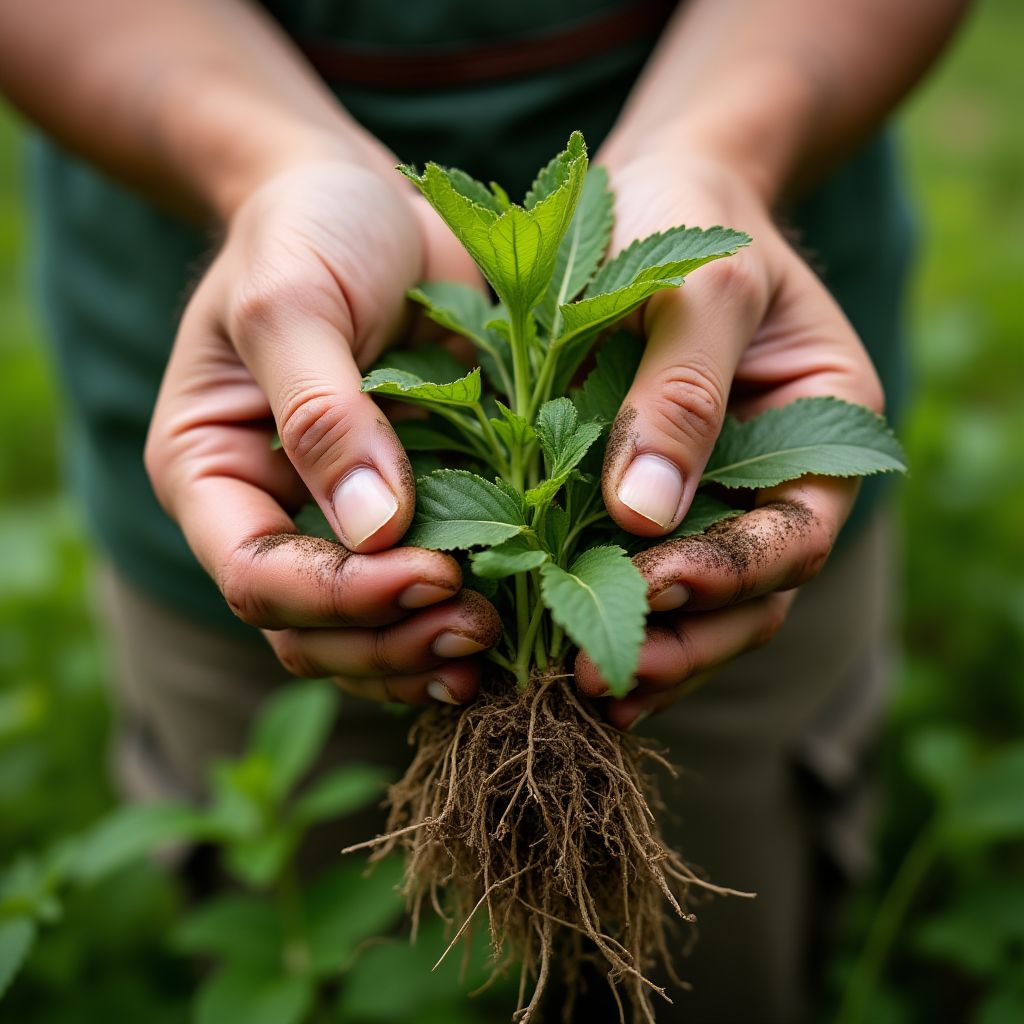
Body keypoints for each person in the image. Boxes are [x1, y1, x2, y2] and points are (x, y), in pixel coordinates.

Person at [0, 1, 967, 1019]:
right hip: (266, 474)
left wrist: (721, 149)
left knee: (704, 969)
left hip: (731, 416)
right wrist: (262, 165)